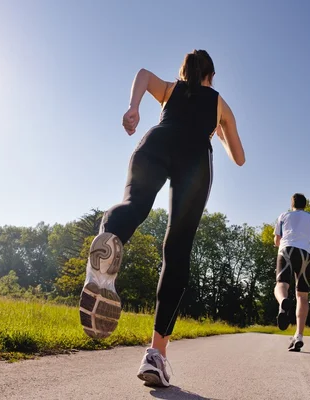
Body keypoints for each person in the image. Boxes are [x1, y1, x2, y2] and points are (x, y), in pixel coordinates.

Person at [78, 49, 245, 387]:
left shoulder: (170, 89)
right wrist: (220, 126)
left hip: (157, 140)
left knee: (134, 205)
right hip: (195, 159)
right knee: (177, 247)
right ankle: (156, 354)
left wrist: (134, 107)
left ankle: (108, 243)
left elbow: (142, 72)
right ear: (210, 76)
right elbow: (239, 157)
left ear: (184, 72)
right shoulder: (219, 103)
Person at [273, 193, 310, 351]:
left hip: (286, 250)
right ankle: (298, 336)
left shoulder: (283, 215)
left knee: (281, 284)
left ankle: (283, 302)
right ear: (305, 205)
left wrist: (282, 243)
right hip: (305, 253)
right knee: (302, 296)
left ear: (292, 204)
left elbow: (277, 240)